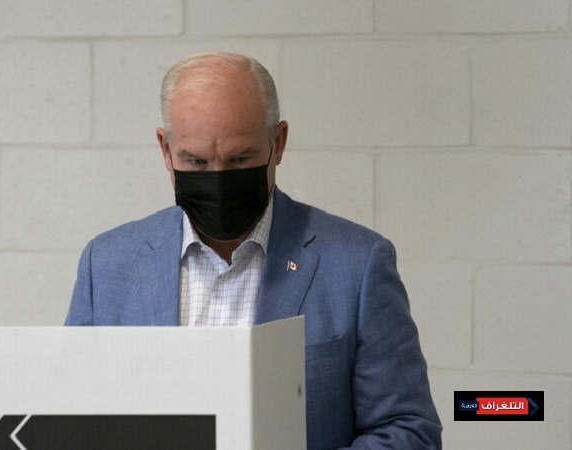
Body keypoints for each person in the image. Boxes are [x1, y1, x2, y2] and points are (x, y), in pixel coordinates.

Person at [65, 52, 442, 449]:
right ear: (165, 149)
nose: (218, 179)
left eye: (239, 159)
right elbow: (69, 417)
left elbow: (409, 432)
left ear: (277, 143)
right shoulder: (106, 264)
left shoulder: (358, 264)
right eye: (196, 161)